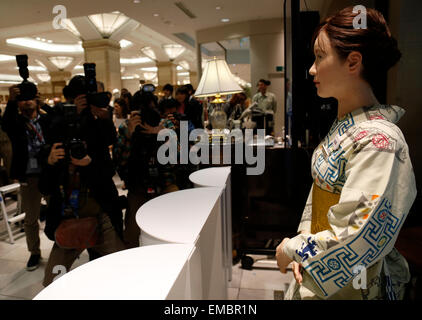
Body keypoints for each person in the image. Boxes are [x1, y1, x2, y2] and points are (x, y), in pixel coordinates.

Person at [275, 6, 416, 300]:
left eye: (319, 56)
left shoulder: (381, 141)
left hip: (352, 279)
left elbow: (358, 234)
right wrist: (304, 248)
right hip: (318, 262)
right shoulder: (344, 128)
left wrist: (291, 247)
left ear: (353, 62)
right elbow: (317, 199)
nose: (312, 69)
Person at [40, 75, 126, 286]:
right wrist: (50, 163)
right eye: (77, 99)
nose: (82, 103)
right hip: (68, 213)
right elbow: (44, 186)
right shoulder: (56, 125)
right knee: (53, 280)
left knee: (120, 267)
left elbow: (108, 167)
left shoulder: (99, 124)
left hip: (100, 211)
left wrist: (103, 119)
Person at [113, 87, 179, 248]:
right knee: (132, 236)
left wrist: (164, 135)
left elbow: (179, 159)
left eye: (150, 109)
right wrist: (129, 136)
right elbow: (119, 162)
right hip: (138, 185)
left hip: (165, 183)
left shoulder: (166, 125)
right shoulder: (126, 128)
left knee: (175, 228)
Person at [1, 82, 49, 271]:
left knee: (57, 212)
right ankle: (34, 253)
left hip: (48, 173)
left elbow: (59, 118)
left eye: (30, 98)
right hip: (28, 177)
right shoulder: (16, 123)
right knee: (30, 219)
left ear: (36, 100)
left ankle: (63, 248)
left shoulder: (46, 120)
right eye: (23, 99)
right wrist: (12, 102)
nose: (27, 102)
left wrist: (44, 104)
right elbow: (5, 124)